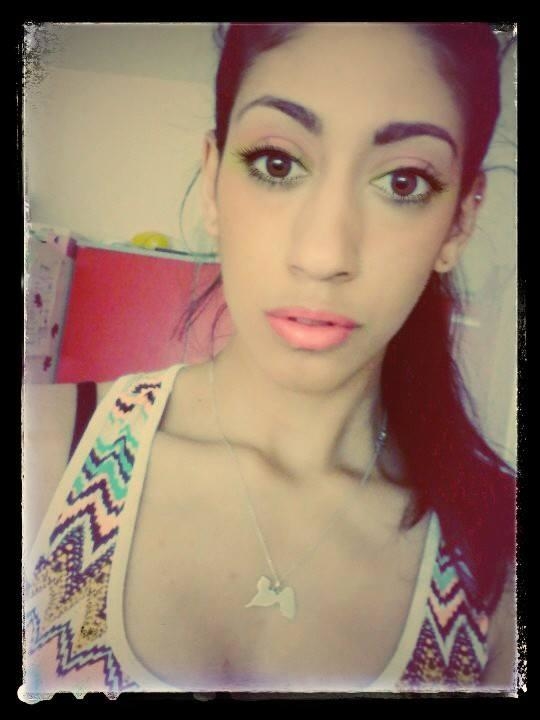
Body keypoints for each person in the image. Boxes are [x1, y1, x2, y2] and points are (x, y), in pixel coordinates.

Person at [22, 22, 517, 700]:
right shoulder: (44, 452)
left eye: (404, 181)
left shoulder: (497, 564)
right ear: (212, 181)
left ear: (458, 222)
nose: (323, 255)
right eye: (277, 164)